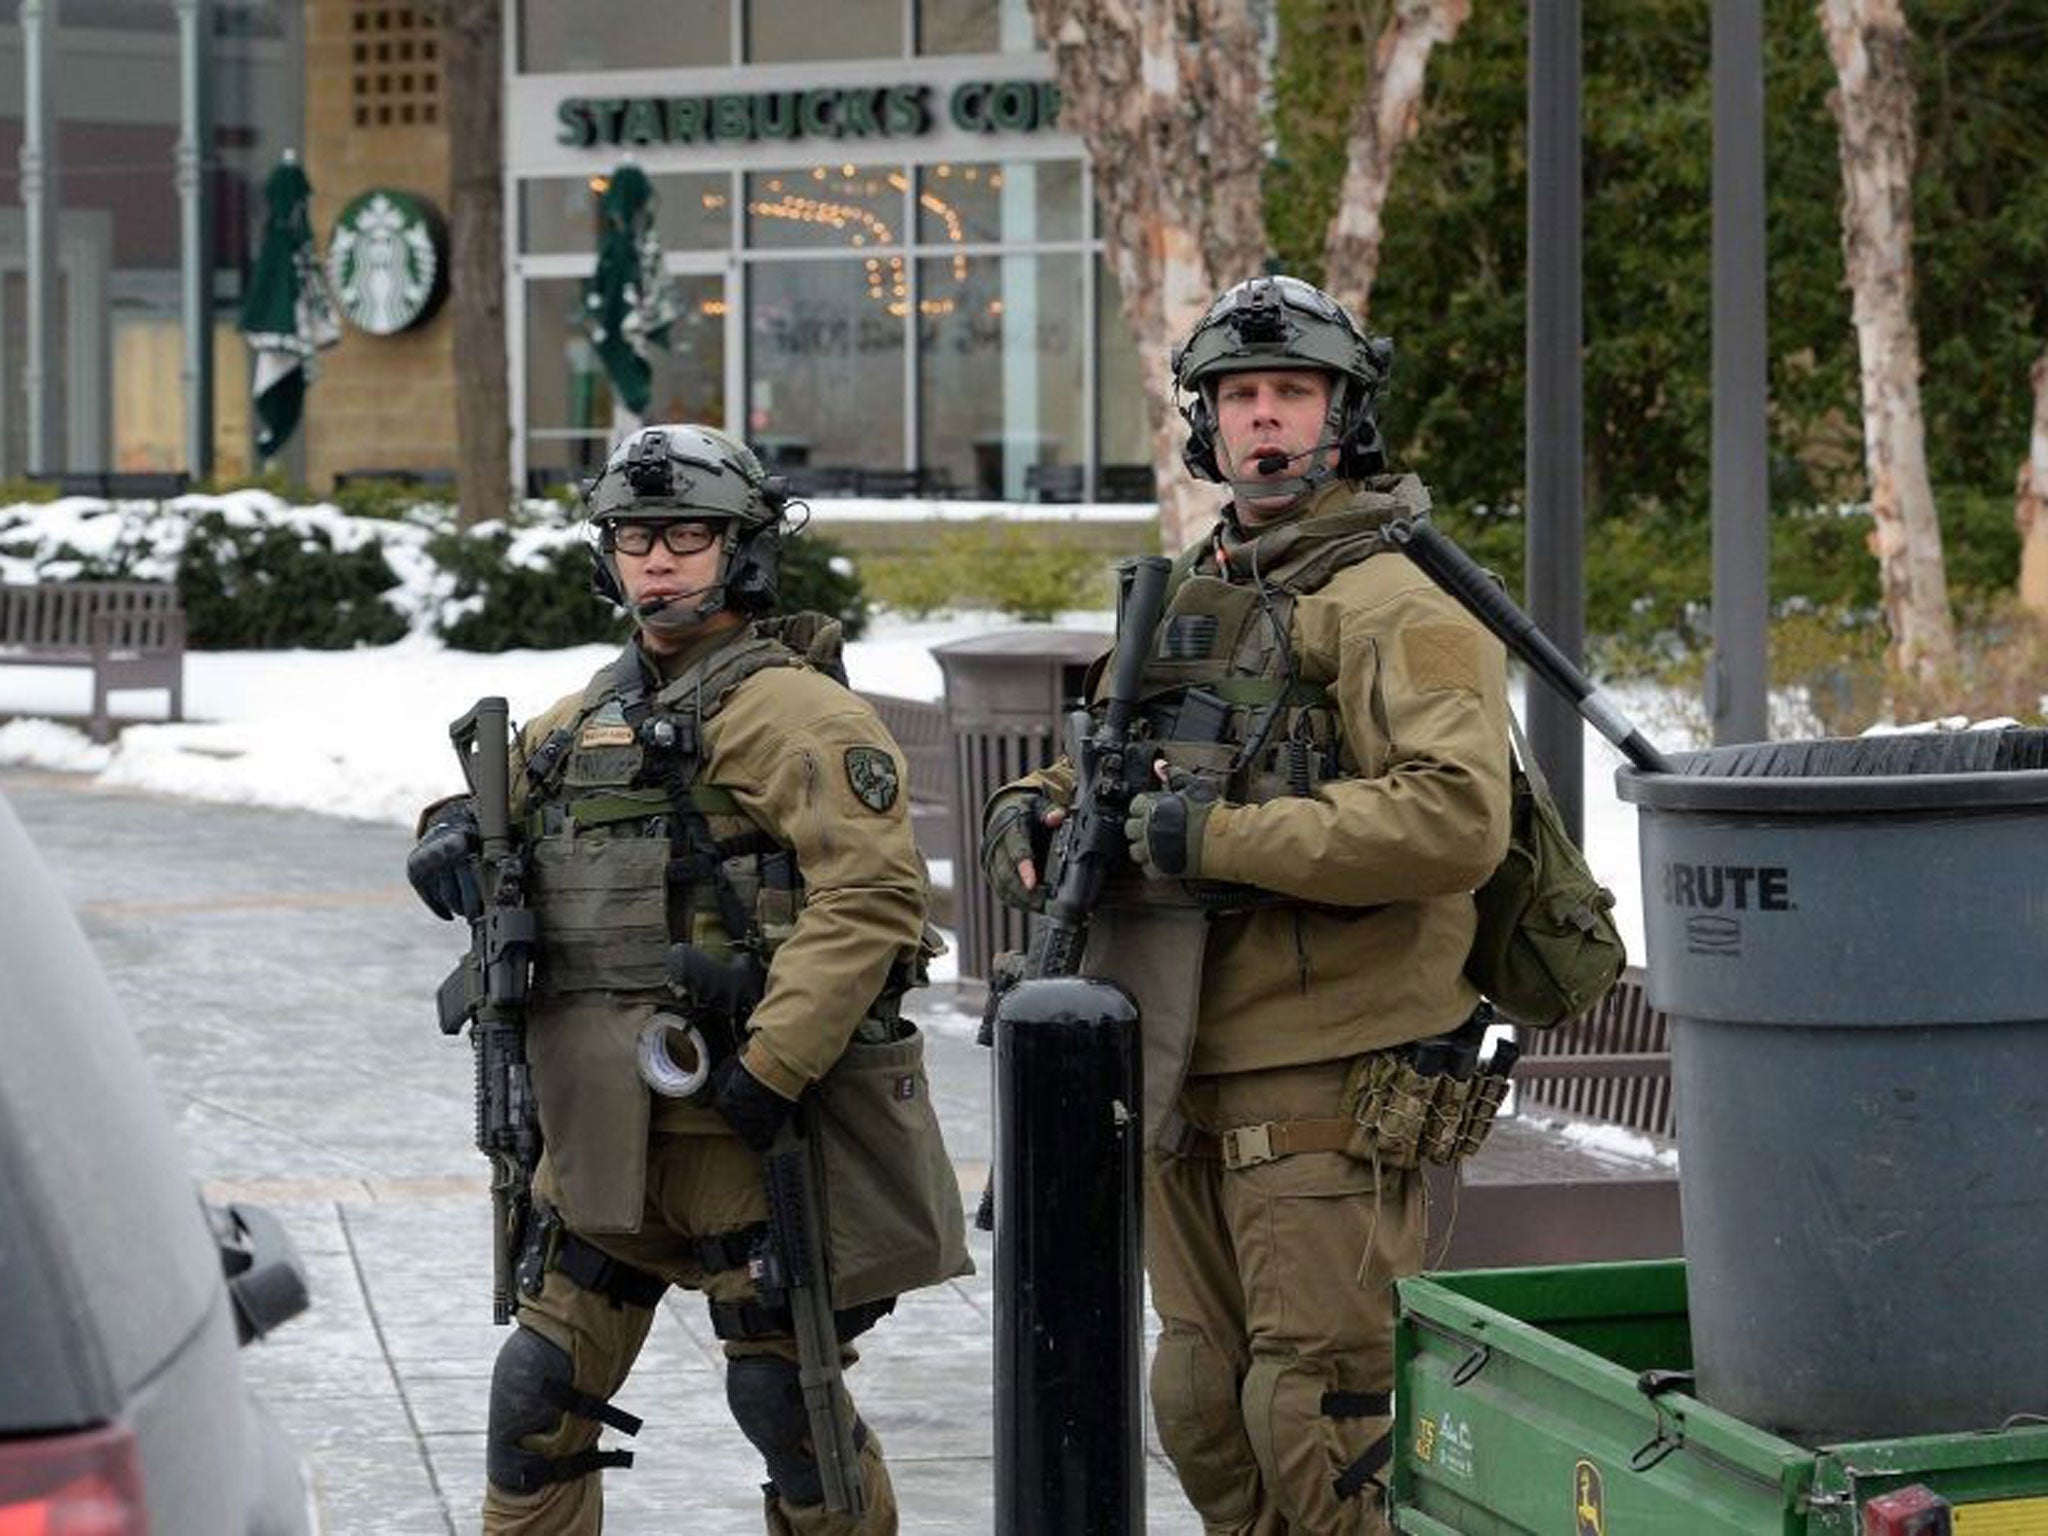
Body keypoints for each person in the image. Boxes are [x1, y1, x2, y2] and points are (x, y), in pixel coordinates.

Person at [980, 275, 1513, 1534]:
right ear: (1202, 422)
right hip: (1172, 1059)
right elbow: (1096, 760)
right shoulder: (1188, 591)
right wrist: (1032, 819)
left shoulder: (1395, 604)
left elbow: (1453, 817)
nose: (1263, 421)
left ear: (1345, 416)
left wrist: (1217, 835)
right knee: (1203, 1405)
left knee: (1316, 1413)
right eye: (1239, 398)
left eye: (1291, 394)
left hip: (1324, 1070)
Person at [408, 424, 943, 1536]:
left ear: (740, 549)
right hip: (601, 1137)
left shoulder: (796, 714)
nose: (656, 559)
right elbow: (491, 801)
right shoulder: (585, 719)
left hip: (746, 1132)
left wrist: (771, 1064)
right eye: (634, 536)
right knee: (535, 1399)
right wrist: (451, 827)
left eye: (685, 535)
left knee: (784, 1407)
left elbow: (873, 901)